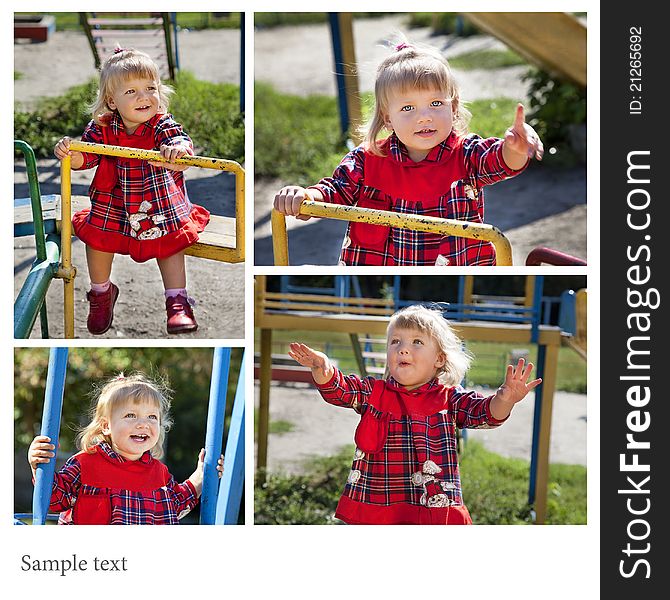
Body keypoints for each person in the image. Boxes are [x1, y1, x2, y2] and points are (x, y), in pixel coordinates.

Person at [274, 38, 544, 266]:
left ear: (453, 107)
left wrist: (515, 148)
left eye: (436, 103)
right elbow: (334, 191)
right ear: (387, 118)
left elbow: (498, 161)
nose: (424, 117)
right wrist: (305, 196)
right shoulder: (367, 160)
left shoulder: (466, 155)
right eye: (407, 108)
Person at [287, 305, 542, 524]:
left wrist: (505, 399)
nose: (403, 349)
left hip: (432, 508)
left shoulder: (448, 398)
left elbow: (484, 414)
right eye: (395, 341)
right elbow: (340, 390)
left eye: (417, 342)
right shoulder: (374, 392)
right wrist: (323, 367)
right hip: (378, 506)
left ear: (439, 359)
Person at [54, 48, 210, 334]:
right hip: (113, 203)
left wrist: (177, 151)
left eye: (150, 88)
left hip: (158, 205)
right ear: (112, 101)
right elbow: (86, 157)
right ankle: (101, 293)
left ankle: (177, 300)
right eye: (132, 91)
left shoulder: (161, 124)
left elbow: (182, 143)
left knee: (170, 243)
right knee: (97, 238)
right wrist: (70, 153)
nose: (144, 97)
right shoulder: (102, 127)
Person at [27, 373, 223, 525]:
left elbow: (177, 504)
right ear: (106, 426)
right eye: (131, 415)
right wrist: (39, 465)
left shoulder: (158, 473)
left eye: (152, 417)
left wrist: (201, 477)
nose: (143, 424)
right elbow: (54, 499)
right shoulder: (85, 464)